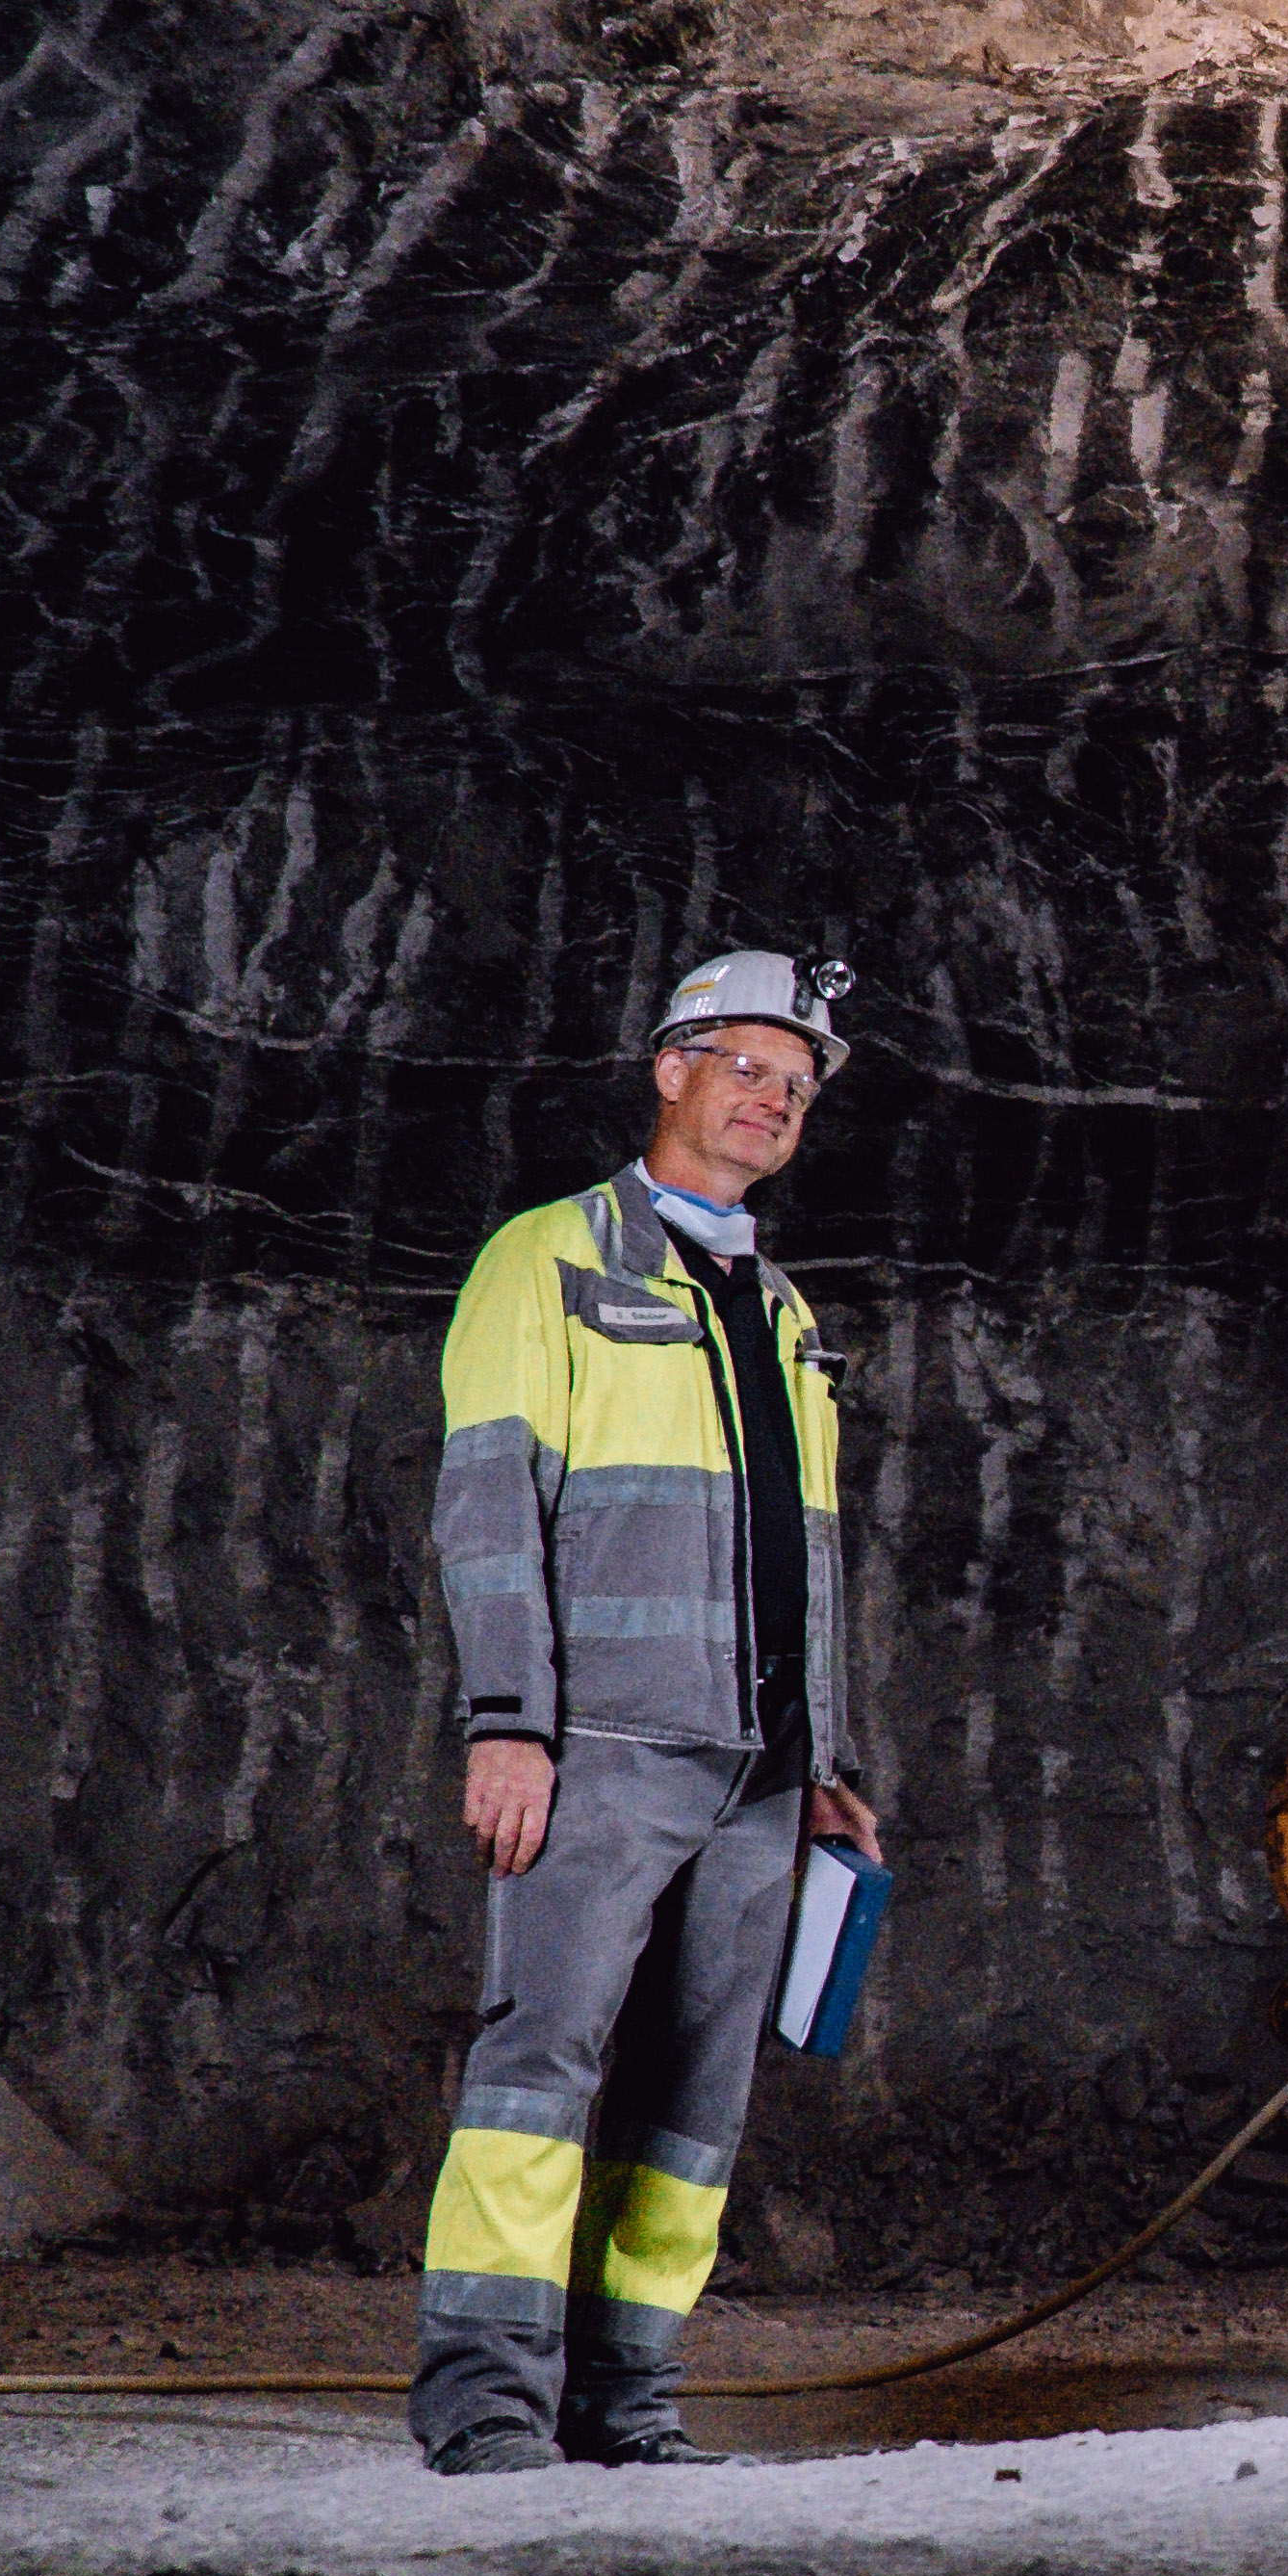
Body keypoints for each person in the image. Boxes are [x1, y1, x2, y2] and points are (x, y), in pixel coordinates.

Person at [409, 951, 889, 2474]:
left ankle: (628, 2401)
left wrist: (824, 1759)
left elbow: (802, 1550)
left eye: (798, 1087)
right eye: (749, 1067)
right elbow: (488, 1508)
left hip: (758, 1774)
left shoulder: (788, 1307)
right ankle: (487, 2405)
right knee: (536, 2069)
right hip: (602, 1750)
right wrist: (508, 1722)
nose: (775, 1100)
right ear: (670, 1067)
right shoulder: (546, 1260)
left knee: (693, 2111)